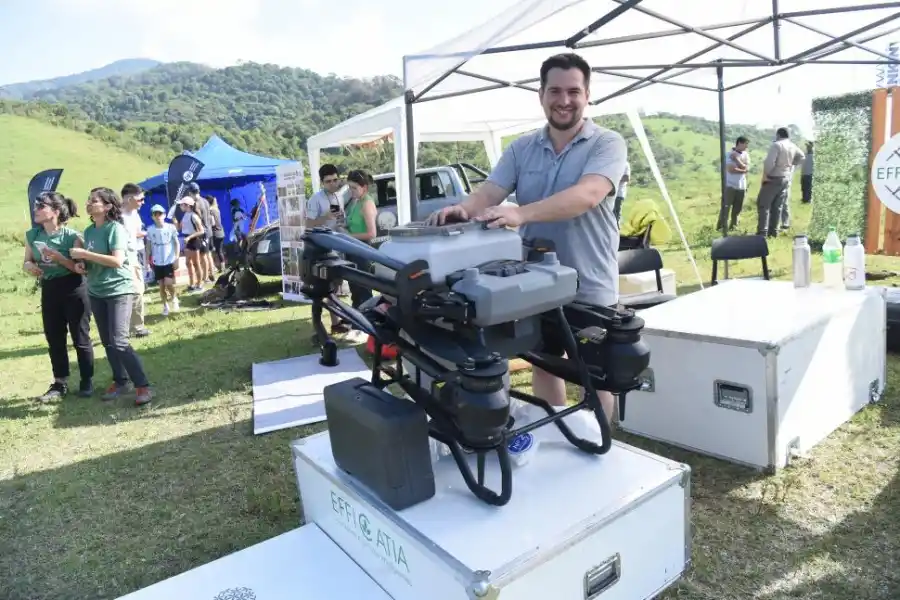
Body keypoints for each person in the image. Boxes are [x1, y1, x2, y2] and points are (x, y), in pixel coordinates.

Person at [427, 52, 627, 425]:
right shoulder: (522, 148)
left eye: (573, 91)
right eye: (555, 91)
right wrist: (463, 209)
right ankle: (557, 436)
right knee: (545, 365)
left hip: (591, 284)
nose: (564, 100)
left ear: (587, 95)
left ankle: (600, 445)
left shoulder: (607, 143)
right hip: (535, 285)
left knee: (596, 375)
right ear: (541, 95)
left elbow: (588, 195)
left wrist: (521, 213)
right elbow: (490, 192)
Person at [70, 187, 152, 405]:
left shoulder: (115, 228)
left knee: (120, 341)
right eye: (89, 200)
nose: (89, 203)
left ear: (107, 206)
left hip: (119, 291)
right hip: (96, 291)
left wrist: (85, 253)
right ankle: (120, 381)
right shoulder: (89, 231)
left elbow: (117, 261)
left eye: (94, 201)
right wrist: (82, 264)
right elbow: (93, 260)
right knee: (108, 342)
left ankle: (142, 386)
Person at [23, 192, 95, 402]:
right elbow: (27, 260)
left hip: (74, 287)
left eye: (41, 206)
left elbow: (81, 269)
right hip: (50, 288)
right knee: (54, 337)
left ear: (55, 211)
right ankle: (59, 383)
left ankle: (86, 380)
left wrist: (60, 259)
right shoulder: (33, 235)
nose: (36, 209)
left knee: (80, 337)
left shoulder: (72, 237)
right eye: (36, 205)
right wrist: (30, 267)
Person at [330, 169, 377, 337]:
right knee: (355, 290)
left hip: (362, 251)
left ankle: (366, 326)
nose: (351, 191)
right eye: (349, 188)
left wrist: (349, 236)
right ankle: (358, 324)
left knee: (363, 291)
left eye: (354, 188)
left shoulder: (367, 203)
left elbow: (371, 233)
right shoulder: (355, 202)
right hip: (351, 250)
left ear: (364, 187)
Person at [756, 127, 805, 238]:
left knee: (763, 204)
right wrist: (791, 163)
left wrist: (766, 175)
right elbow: (802, 157)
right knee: (777, 206)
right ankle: (773, 232)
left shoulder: (777, 145)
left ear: (778, 135)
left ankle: (762, 232)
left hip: (773, 177)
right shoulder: (793, 146)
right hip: (785, 177)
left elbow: (769, 162)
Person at [120, 183, 150, 337]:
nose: (143, 202)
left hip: (134, 255)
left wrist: (143, 234)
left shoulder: (135, 214)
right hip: (122, 258)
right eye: (140, 199)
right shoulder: (118, 217)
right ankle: (130, 328)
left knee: (138, 291)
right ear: (129, 199)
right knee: (130, 293)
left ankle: (136, 327)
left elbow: (136, 232)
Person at [145, 204, 181, 316]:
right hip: (157, 261)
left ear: (164, 215)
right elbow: (148, 246)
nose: (158, 216)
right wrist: (147, 261)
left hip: (169, 260)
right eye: (155, 214)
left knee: (169, 283)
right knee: (161, 286)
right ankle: (165, 306)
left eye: (160, 214)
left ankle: (174, 298)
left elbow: (177, 243)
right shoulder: (150, 230)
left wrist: (177, 258)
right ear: (152, 216)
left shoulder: (171, 227)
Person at [718, 136, 749, 232]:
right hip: (730, 185)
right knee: (726, 207)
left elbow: (746, 168)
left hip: (741, 186)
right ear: (739, 143)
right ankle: (721, 227)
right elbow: (731, 169)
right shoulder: (728, 154)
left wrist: (736, 159)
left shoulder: (745, 155)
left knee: (737, 209)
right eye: (745, 144)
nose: (746, 147)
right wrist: (743, 169)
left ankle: (733, 227)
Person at [186, 183, 214, 283]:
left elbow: (198, 220)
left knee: (203, 255)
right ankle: (211, 275)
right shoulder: (205, 201)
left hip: (203, 232)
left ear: (190, 193)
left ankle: (206, 278)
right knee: (208, 254)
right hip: (209, 230)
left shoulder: (195, 203)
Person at [177, 196, 206, 291]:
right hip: (187, 240)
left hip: (194, 241)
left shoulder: (194, 216)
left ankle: (199, 284)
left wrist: (189, 237)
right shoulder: (185, 215)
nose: (180, 206)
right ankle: (192, 283)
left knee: (196, 264)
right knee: (188, 263)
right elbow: (179, 228)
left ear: (188, 205)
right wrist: (174, 220)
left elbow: (201, 231)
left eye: (182, 205)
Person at [307, 164, 347, 229]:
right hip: (323, 235)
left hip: (338, 233)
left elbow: (342, 221)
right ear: (322, 182)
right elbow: (309, 225)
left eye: (335, 180)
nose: (332, 184)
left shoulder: (339, 196)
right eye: (328, 181)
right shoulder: (315, 199)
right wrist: (326, 217)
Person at [207, 195, 226, 271]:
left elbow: (213, 223)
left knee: (211, 250)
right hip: (221, 232)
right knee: (220, 251)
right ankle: (223, 267)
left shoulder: (210, 211)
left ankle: (214, 267)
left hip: (215, 233)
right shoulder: (217, 209)